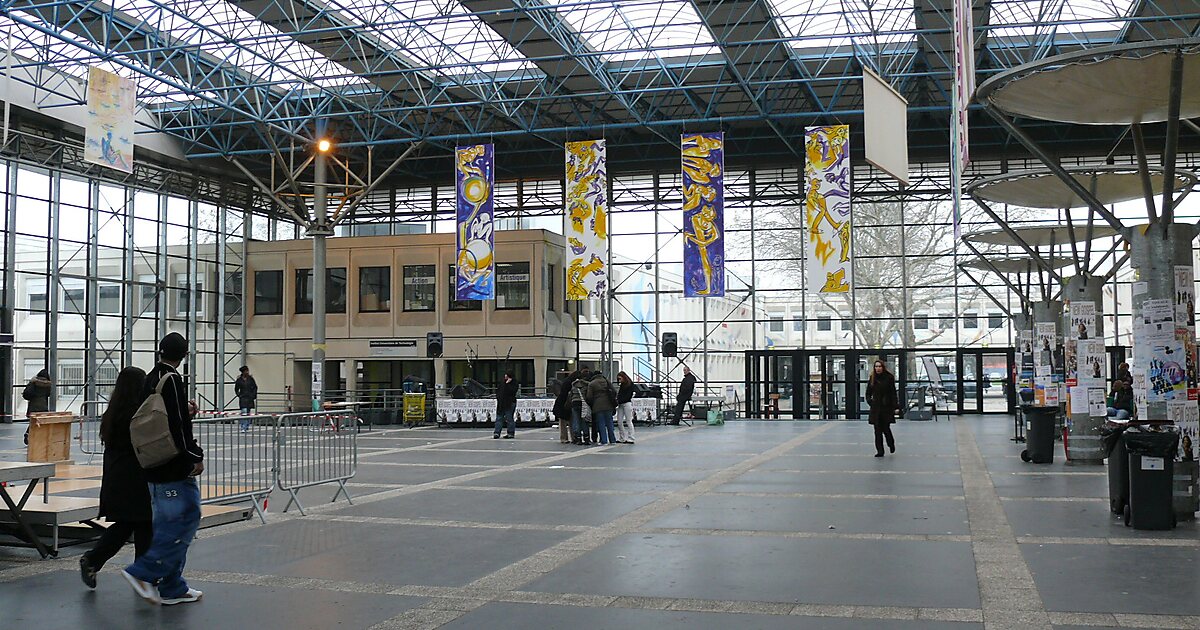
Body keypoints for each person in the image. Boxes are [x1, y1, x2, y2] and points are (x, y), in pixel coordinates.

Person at [122, 332, 205, 606]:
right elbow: (178, 426)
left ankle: (172, 587)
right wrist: (194, 455)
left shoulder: (151, 377)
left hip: (153, 463)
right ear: (184, 355)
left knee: (171, 522)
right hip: (173, 466)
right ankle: (143, 573)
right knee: (186, 519)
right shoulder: (172, 380)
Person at [79, 367, 151, 589]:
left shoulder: (113, 412)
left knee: (132, 523)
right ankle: (140, 572)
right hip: (134, 478)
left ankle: (100, 561)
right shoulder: (135, 413)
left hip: (117, 476)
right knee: (142, 522)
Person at [865, 360, 899, 457]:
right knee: (877, 431)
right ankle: (880, 451)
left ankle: (891, 443)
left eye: (879, 366)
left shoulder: (889, 378)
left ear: (883, 367)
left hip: (886, 407)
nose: (878, 368)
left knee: (886, 429)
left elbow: (893, 393)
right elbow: (868, 392)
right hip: (876, 408)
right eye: (876, 366)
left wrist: (895, 406)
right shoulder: (872, 378)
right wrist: (870, 401)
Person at [22, 368, 52, 445]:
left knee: (33, 421)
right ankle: (39, 437)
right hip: (43, 406)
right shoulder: (48, 384)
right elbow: (48, 394)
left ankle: (28, 434)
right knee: (41, 422)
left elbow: (27, 393)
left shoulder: (34, 383)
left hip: (33, 405)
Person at [586, 371, 618, 445]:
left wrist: (592, 403)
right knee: (610, 423)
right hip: (609, 405)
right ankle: (612, 440)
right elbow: (614, 391)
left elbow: (589, 397)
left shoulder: (592, 383)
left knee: (601, 423)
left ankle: (604, 440)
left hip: (598, 405)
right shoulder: (607, 381)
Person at [552, 370, 579, 444]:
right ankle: (573, 437)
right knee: (571, 422)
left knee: (563, 423)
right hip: (566, 404)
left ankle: (564, 438)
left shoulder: (566, 382)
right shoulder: (573, 383)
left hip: (562, 404)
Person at [569, 368, 591, 445]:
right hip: (583, 403)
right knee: (584, 421)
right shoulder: (586, 385)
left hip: (574, 403)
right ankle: (586, 438)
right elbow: (588, 395)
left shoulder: (573, 385)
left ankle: (578, 438)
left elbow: (570, 395)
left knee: (576, 421)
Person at [494, 371, 518, 439]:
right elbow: (499, 391)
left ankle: (510, 433)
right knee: (499, 418)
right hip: (501, 403)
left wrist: (507, 384)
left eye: (506, 375)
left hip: (509, 403)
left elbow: (512, 391)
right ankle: (497, 432)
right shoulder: (502, 382)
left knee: (509, 418)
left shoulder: (514, 383)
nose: (505, 376)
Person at [234, 366, 257, 431]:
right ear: (243, 372)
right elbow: (236, 389)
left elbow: (255, 387)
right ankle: (243, 426)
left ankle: (246, 426)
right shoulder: (239, 380)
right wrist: (239, 395)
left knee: (248, 412)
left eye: (247, 371)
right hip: (243, 398)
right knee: (244, 412)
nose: (247, 372)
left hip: (250, 398)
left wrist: (253, 395)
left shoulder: (251, 379)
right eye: (246, 371)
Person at [615, 371, 636, 444]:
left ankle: (630, 437)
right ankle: (623, 437)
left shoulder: (629, 385)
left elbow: (627, 396)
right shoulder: (624, 385)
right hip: (623, 404)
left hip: (626, 403)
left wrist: (618, 400)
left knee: (628, 421)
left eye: (620, 379)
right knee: (619, 421)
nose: (619, 381)